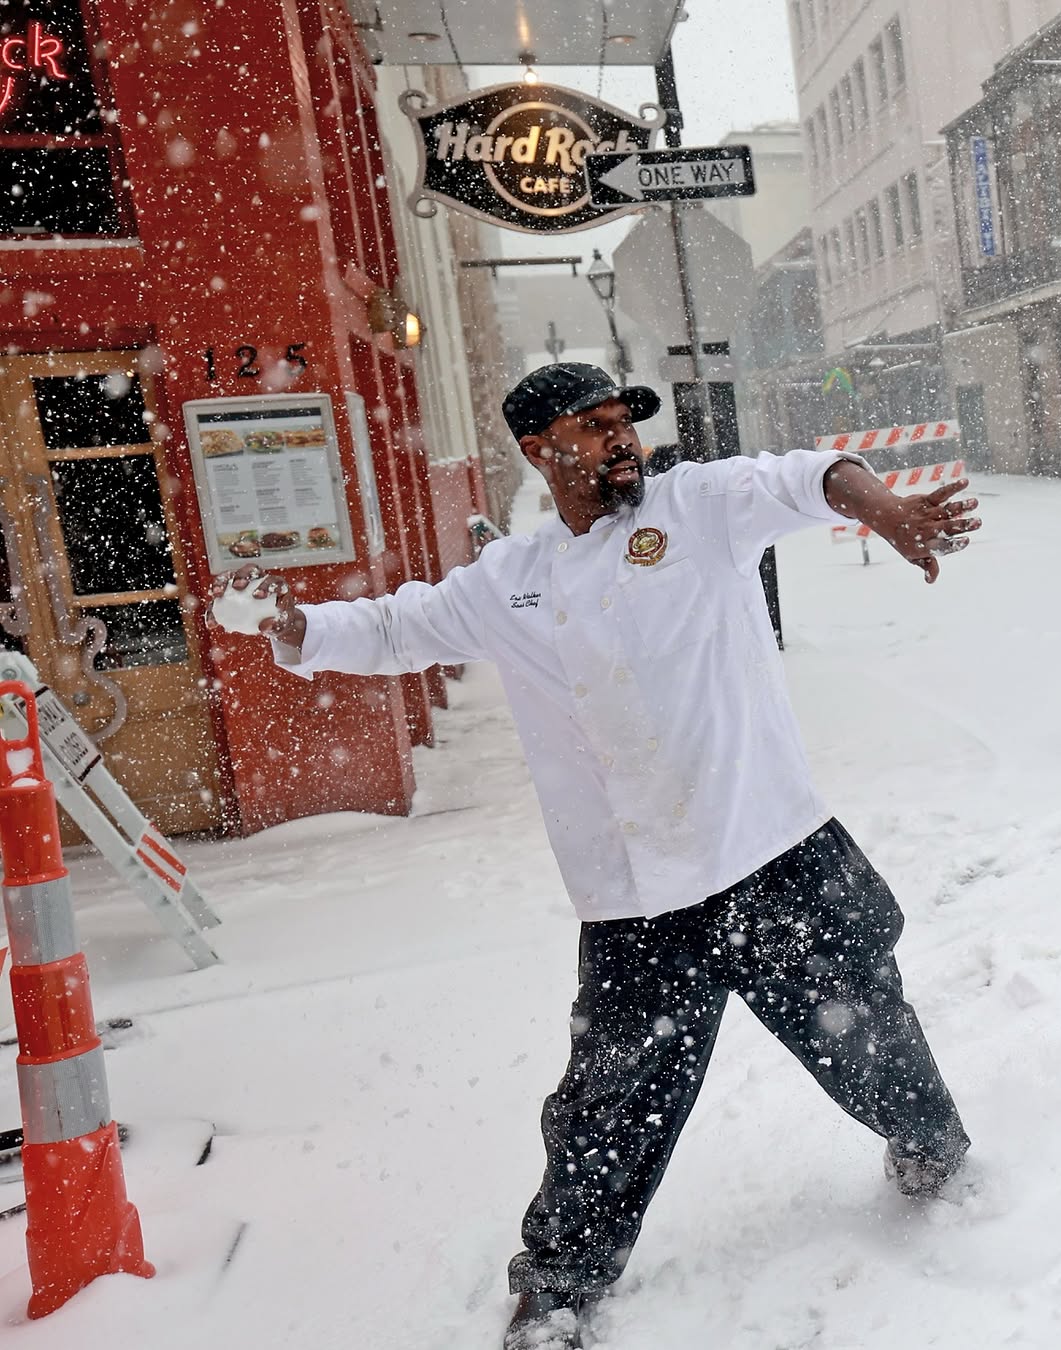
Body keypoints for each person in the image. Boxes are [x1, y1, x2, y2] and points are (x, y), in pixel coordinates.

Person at [208, 363, 981, 1350]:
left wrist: (888, 512)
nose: (622, 440)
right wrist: (286, 625)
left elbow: (807, 479)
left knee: (866, 1029)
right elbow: (399, 626)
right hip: (635, 897)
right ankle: (560, 1287)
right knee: (613, 1102)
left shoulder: (696, 507)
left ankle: (938, 1159)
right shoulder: (513, 581)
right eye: (594, 426)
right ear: (539, 452)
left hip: (772, 850)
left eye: (625, 422)